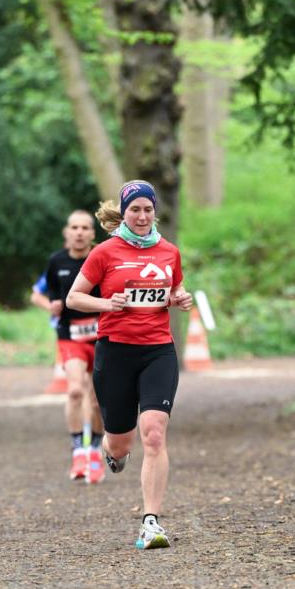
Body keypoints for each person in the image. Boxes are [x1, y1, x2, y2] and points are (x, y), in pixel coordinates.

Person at [66, 181, 192, 549]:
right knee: (121, 442)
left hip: (158, 351)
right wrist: (108, 304)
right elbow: (75, 297)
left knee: (153, 431)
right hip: (115, 352)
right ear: (125, 213)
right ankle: (111, 451)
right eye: (135, 210)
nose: (141, 216)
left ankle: (150, 523)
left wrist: (179, 298)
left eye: (148, 210)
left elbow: (172, 290)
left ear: (155, 212)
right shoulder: (105, 252)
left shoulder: (169, 252)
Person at [36, 211, 105, 484]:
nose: (79, 232)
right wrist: (50, 306)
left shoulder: (100, 257)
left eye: (85, 228)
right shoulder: (57, 261)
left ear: (92, 233)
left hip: (101, 336)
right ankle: (78, 450)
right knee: (76, 391)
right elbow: (48, 296)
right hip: (70, 335)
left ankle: (96, 451)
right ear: (67, 232)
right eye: (74, 227)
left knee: (98, 401)